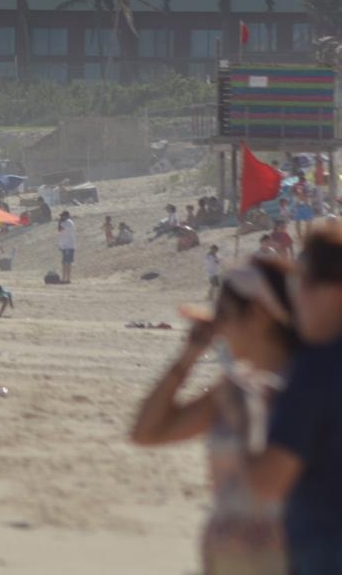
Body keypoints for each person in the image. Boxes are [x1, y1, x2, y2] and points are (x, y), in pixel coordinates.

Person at [131, 258, 296, 575]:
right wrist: (190, 354)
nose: (216, 326)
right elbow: (147, 432)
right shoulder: (234, 390)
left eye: (224, 315)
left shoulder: (303, 390)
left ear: (259, 315)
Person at [245, 229, 342, 571]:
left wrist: (256, 417)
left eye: (304, 284)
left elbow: (267, 481)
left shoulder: (316, 368)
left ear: (334, 291)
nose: (296, 298)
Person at [57, 210, 76, 284]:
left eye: (62, 216)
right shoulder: (66, 222)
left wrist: (59, 222)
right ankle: (65, 279)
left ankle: (67, 279)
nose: (61, 217)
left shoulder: (68, 222)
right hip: (66, 246)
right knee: (65, 263)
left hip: (68, 246)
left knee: (67, 263)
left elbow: (59, 229)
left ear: (66, 215)